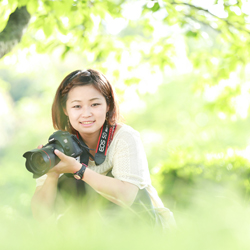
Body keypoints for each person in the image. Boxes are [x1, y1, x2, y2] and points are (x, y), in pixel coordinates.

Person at [31, 69, 175, 229]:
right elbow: (40, 214)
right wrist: (52, 175)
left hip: (146, 229)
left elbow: (127, 196)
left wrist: (78, 170)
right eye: (77, 106)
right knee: (69, 190)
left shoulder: (125, 138)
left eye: (95, 104)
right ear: (65, 109)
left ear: (108, 105)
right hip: (94, 236)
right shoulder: (59, 145)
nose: (86, 113)